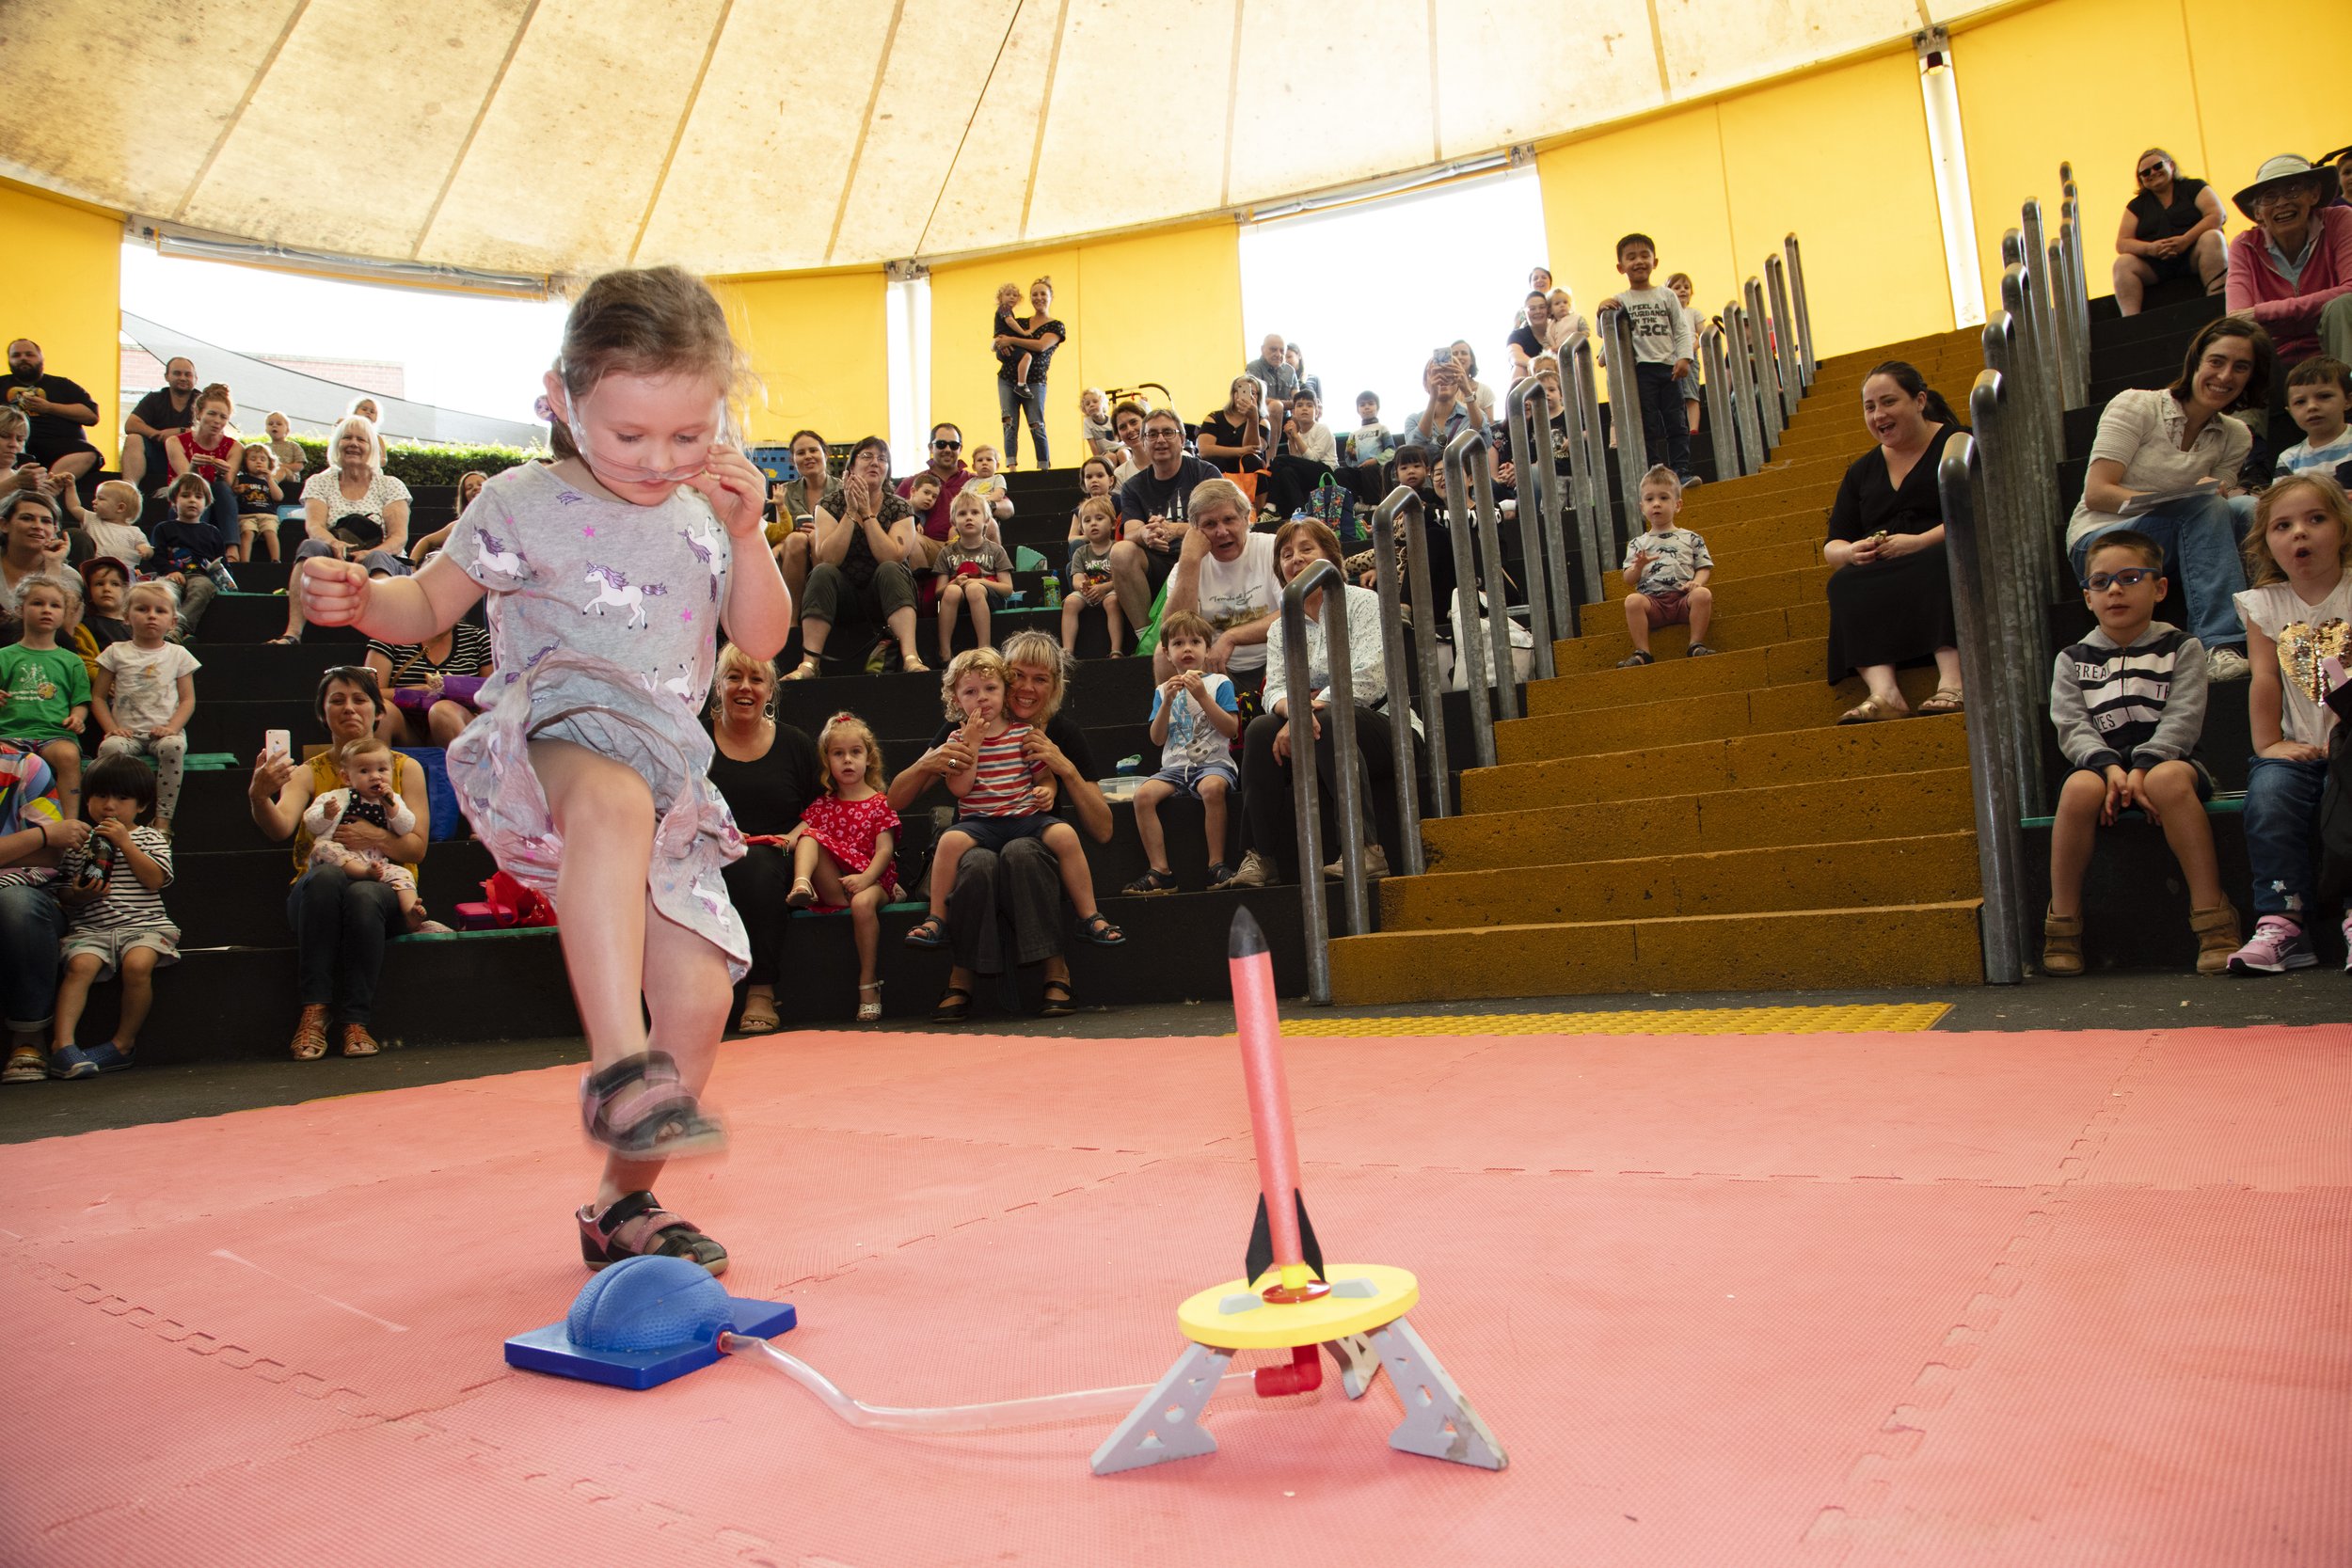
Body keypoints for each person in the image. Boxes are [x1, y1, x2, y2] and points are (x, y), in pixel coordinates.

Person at [298, 264, 791, 1278]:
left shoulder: (704, 513)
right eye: (629, 435)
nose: (659, 460)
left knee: (701, 1001)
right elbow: (424, 608)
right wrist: (358, 598)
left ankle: (623, 1201)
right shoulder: (523, 501)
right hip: (558, 729)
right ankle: (619, 1061)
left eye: (687, 436)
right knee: (607, 799)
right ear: (560, 402)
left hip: (673, 778)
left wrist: (749, 535)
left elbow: (761, 638)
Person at [886, 631, 1113, 1020]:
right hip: (977, 834)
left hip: (1030, 836)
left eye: (1040, 679)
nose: (1026, 688)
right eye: (1019, 676)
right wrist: (932, 760)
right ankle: (961, 975)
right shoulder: (966, 727)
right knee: (977, 863)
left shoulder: (1058, 732)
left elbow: (1104, 830)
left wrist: (1063, 768)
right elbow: (895, 801)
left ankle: (1056, 970)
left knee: (1021, 852)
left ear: (1055, 687)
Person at [2042, 530, 2234, 976]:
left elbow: (2183, 719)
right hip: (2101, 766)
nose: (2113, 590)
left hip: (2170, 761)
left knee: (2167, 779)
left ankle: (2213, 920)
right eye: (2100, 582)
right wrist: (2110, 768)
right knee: (2077, 789)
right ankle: (2063, 923)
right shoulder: (2072, 658)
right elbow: (2072, 727)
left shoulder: (2182, 647)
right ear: (2087, 598)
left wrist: (2145, 767)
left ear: (2160, 587)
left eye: (2130, 578)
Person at [2067, 316, 2269, 683]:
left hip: (2180, 542)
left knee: (2247, 509)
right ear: (2195, 361)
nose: (2225, 376)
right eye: (2216, 361)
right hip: (2101, 539)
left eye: (2241, 367)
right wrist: (2176, 499)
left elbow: (2220, 504)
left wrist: (2213, 491)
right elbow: (2098, 492)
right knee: (2205, 505)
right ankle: (2217, 645)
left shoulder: (2237, 435)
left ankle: (2272, 629)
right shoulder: (2136, 405)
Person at [248, 667, 431, 1058]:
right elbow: (279, 827)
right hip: (318, 896)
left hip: (382, 891)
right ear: (322, 713)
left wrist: (375, 836)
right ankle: (314, 1012)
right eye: (337, 700)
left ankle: (355, 1021)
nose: (349, 708)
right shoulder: (307, 773)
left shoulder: (403, 768)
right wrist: (259, 796)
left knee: (365, 894)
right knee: (328, 876)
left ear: (377, 711)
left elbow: (416, 849)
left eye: (359, 699)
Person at [1227, 518, 1402, 888]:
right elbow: (1274, 688)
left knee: (1334, 717)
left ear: (1331, 557)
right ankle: (1260, 856)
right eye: (1286, 555)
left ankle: (1367, 849)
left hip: (1381, 725)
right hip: (1313, 723)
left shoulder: (1364, 602)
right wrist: (1296, 712)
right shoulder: (1280, 627)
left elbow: (1370, 675)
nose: (1295, 559)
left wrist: (1310, 709)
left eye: (1307, 549)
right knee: (1259, 730)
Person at [2225, 474, 2352, 974]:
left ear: (2341, 529)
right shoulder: (2266, 606)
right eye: (2283, 525)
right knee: (2270, 794)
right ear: (2267, 542)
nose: (2299, 532)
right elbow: (2264, 679)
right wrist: (2268, 743)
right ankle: (2283, 922)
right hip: (2296, 745)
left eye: (2315, 519)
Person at [1823, 362, 1965, 723]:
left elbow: (1977, 512)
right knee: (1843, 581)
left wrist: (1918, 542)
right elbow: (1833, 544)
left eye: (1888, 402)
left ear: (1919, 400)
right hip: (1888, 565)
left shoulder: (1957, 443)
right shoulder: (1861, 471)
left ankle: (1954, 680)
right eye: (1870, 407)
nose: (1878, 415)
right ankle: (1885, 693)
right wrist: (1852, 552)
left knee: (1938, 559)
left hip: (1946, 549)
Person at [703, 642, 820, 1036]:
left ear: (771, 690)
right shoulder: (695, 742)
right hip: (704, 853)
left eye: (756, 679)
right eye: (734, 677)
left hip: (775, 857)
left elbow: (821, 811)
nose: (745, 687)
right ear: (718, 686)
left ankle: (761, 990)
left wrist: (790, 837)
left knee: (756, 869)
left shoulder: (796, 745)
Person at [41, 753, 176, 1078]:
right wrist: (79, 894)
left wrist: (125, 844)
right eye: (100, 796)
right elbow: (65, 893)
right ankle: (63, 1046)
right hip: (92, 927)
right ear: (87, 800)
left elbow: (155, 879)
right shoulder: (76, 843)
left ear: (141, 805)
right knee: (79, 966)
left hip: (143, 925)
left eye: (122, 798)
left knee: (138, 963)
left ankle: (122, 1044)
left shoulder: (149, 838)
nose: (110, 806)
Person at [787, 711, 901, 1023]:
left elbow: (886, 850)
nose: (847, 760)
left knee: (864, 903)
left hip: (873, 880)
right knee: (810, 836)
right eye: (838, 754)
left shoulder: (880, 802)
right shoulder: (824, 805)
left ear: (869, 758)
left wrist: (866, 879)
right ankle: (801, 884)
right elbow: (793, 836)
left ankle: (868, 984)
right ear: (827, 761)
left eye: (855, 752)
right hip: (837, 886)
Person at [788, 434, 928, 678]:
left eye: (882, 459)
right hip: (843, 596)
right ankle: (809, 664)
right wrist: (851, 511)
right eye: (867, 456)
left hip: (885, 594)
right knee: (822, 572)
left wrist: (867, 513)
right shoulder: (828, 504)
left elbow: (891, 556)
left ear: (887, 470)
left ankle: (911, 657)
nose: (875, 462)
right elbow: (828, 557)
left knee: (891, 569)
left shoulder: (900, 507)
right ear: (851, 467)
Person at [1123, 609, 1240, 895]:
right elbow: (1156, 738)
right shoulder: (1163, 690)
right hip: (1174, 768)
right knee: (1143, 796)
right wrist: (1165, 704)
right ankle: (1160, 871)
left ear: (1207, 648)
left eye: (1194, 642)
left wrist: (1201, 696)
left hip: (1214, 762)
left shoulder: (1218, 683)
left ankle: (1216, 864)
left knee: (1212, 789)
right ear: (1166, 652)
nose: (1186, 648)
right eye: (1177, 643)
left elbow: (1231, 729)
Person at [277, 416, 412, 643]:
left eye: (361, 439)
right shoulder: (319, 482)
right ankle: (292, 633)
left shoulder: (391, 484)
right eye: (346, 438)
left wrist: (368, 554)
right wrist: (335, 544)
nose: (353, 443)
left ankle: (383, 640)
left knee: (377, 557)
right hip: (336, 556)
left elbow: (399, 538)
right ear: (336, 445)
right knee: (310, 547)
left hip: (383, 557)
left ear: (372, 448)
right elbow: (315, 526)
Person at [301, 736, 447, 934]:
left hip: (375, 862)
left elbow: (406, 827)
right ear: (346, 777)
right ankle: (362, 874)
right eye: (364, 771)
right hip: (341, 858)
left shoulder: (393, 799)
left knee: (402, 874)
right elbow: (311, 822)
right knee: (323, 848)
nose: (375, 776)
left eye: (382, 770)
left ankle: (411, 914)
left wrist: (391, 807)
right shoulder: (335, 797)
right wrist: (325, 815)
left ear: (392, 773)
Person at [1, 739, 82, 1083]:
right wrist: (41, 837)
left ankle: (28, 1038)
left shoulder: (26, 766)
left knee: (15, 906)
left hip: (28, 896)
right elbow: (48, 838)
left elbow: (54, 852)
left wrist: (49, 838)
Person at [2223, 154, 2352, 367]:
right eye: (2269, 196)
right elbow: (2237, 318)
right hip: (2275, 362)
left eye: (2292, 190)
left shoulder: (2340, 220)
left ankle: (2347, 394)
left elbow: (2349, 291)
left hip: (2336, 352)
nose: (2282, 203)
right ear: (2258, 212)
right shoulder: (2244, 245)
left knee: (2343, 306)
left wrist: (2264, 312)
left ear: (2314, 194)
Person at [1158, 475, 1282, 691]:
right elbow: (1174, 631)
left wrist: (1232, 637)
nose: (1221, 531)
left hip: (1276, 661)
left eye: (1229, 519)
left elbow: (1294, 612)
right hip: (1217, 668)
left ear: (1246, 518)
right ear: (1195, 530)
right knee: (1163, 653)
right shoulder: (1186, 567)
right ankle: (1182, 722)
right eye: (1209, 524)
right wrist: (1189, 560)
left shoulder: (1272, 549)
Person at [92, 580, 199, 831]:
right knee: (109, 748)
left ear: (172, 621)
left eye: (160, 611)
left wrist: (172, 728)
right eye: (142, 609)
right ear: (126, 616)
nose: (151, 616)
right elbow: (97, 697)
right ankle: (114, 818)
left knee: (173, 747)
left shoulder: (178, 655)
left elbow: (188, 700)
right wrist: (111, 728)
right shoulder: (115, 652)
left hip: (163, 734)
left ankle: (163, 821)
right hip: (127, 734)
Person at [1593, 233, 1697, 486]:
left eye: (1644, 256)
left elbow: (1681, 329)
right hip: (1640, 371)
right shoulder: (1622, 300)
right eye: (1631, 258)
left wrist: (1684, 357)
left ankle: (1681, 470)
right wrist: (1601, 311)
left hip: (1669, 367)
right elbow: (1602, 332)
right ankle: (1655, 471)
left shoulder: (1667, 295)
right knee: (1648, 424)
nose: (1638, 261)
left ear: (1655, 261)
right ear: (1621, 267)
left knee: (1676, 421)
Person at [1107, 408, 1221, 621]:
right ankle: (1144, 637)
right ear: (1144, 441)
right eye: (1152, 434)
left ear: (1182, 438)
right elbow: (1130, 532)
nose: (1160, 440)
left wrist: (1175, 529)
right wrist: (1145, 534)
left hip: (1206, 558)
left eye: (1168, 432)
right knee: (1121, 551)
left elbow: (1223, 526)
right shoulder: (1132, 486)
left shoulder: (1206, 473)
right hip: (1159, 561)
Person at [1, 572, 88, 813]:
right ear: (20, 609)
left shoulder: (71, 661)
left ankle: (70, 824)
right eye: (37, 603)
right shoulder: (4, 656)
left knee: (69, 757)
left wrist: (77, 717)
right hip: (10, 734)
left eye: (55, 605)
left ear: (64, 614)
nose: (46, 610)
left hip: (55, 735)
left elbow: (81, 701)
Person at [1615, 467, 1716, 666]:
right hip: (1653, 604)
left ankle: (1695, 644)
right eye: (1650, 499)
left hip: (1682, 599)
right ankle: (1643, 652)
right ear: (1642, 507)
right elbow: (1628, 579)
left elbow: (1704, 567)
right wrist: (1638, 567)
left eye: (1664, 498)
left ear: (1678, 505)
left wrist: (1696, 583)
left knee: (1703, 595)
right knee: (1632, 601)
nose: (1656, 504)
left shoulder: (1691, 537)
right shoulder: (1637, 544)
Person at [2115, 149, 2229, 315]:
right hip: (2156, 264)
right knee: (2122, 263)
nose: (2153, 173)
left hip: (2194, 255)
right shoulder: (2136, 206)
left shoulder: (2194, 187)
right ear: (2141, 180)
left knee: (2213, 237)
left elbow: (2217, 215)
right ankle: (2131, 322)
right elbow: (2122, 242)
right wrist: (2150, 249)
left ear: (2172, 165)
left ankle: (2217, 306)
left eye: (2157, 166)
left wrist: (2185, 240)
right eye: (2145, 173)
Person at [363, 615, 495, 748]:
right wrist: (419, 692)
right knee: (381, 709)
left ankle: (466, 764)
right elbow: (368, 694)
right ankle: (376, 764)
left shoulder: (478, 639)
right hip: (406, 726)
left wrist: (455, 690)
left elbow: (491, 698)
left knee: (443, 711)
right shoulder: (390, 635)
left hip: (455, 720)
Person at [1, 340, 102, 500]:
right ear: (9, 360)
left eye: (29, 354)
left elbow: (91, 416)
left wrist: (49, 407)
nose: (23, 358)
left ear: (41, 358)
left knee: (88, 453)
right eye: (16, 355)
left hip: (60, 446)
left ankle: (44, 491)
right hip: (12, 444)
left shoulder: (63, 385)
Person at [934, 485, 1014, 661]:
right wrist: (953, 583)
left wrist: (981, 582)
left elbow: (1008, 589)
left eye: (975, 513)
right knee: (952, 591)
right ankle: (945, 651)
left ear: (986, 520)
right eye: (962, 514)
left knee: (974, 590)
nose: (968, 517)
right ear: (954, 522)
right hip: (959, 600)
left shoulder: (995, 550)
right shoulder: (947, 552)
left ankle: (984, 649)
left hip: (989, 598)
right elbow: (939, 592)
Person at [161, 383, 243, 547]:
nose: (217, 421)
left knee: (221, 487)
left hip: (220, 505)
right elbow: (185, 481)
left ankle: (231, 547)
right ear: (198, 414)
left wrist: (222, 472)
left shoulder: (234, 447)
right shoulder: (175, 442)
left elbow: (227, 484)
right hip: (185, 502)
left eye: (223, 417)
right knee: (196, 491)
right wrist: (194, 467)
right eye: (212, 414)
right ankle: (194, 546)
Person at [993, 277, 1064, 467]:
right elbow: (1001, 345)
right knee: (1009, 422)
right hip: (1008, 377)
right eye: (1035, 294)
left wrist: (1013, 340)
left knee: (1036, 423)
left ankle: (1043, 466)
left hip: (1035, 381)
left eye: (1043, 294)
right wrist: (1003, 346)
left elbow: (1041, 346)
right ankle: (1012, 466)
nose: (1039, 298)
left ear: (1050, 297)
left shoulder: (1056, 326)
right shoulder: (1020, 322)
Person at [151, 474, 232, 638]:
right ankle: (161, 629)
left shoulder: (213, 532)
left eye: (198, 497)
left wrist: (227, 578)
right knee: (161, 590)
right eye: (185, 495)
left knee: (204, 587)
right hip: (171, 575)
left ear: (206, 503)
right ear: (174, 501)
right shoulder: (164, 528)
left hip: (200, 577)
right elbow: (157, 556)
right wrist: (170, 571)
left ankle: (178, 629)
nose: (192, 500)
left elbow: (221, 560)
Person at [896, 421, 974, 564]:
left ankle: (995, 579)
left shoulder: (975, 481)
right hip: (928, 547)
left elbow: (1008, 508)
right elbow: (890, 510)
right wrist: (913, 520)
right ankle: (920, 585)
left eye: (954, 445)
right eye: (941, 444)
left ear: (960, 448)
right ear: (931, 447)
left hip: (969, 546)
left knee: (991, 523)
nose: (948, 449)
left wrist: (991, 505)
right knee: (911, 536)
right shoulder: (912, 482)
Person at [769, 427, 830, 608]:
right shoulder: (784, 492)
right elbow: (781, 532)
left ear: (825, 454)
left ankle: (822, 612)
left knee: (815, 537)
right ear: (793, 460)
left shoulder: (843, 490)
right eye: (801, 453)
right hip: (795, 553)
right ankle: (791, 618)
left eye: (813, 450)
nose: (808, 456)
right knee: (795, 539)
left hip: (833, 552)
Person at [1, 490, 71, 642]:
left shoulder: (70, 577)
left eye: (46, 521)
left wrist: (53, 566)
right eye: (27, 518)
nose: (38, 526)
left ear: (55, 530)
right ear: (4, 525)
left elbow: (61, 634)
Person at [2271, 357, 2352, 488]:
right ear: (2290, 412)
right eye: (2300, 402)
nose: (2312, 407)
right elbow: (2283, 504)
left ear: (2348, 400)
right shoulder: (2289, 459)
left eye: (2324, 396)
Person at [121, 356, 198, 492]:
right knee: (133, 438)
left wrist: (179, 431)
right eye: (177, 373)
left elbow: (213, 433)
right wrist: (156, 434)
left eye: (188, 374)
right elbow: (131, 425)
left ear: (195, 379)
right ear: (166, 377)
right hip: (156, 458)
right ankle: (129, 491)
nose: (183, 378)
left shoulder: (202, 402)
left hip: (189, 463)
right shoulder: (154, 399)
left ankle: (185, 488)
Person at [1265, 386, 1340, 517]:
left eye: (1309, 405)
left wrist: (1296, 437)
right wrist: (1292, 441)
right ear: (1293, 412)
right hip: (1308, 473)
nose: (1304, 408)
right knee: (1286, 471)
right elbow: (1295, 462)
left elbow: (1313, 458)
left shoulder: (1322, 429)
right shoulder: (1295, 435)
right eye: (1300, 405)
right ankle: (1300, 511)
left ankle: (1271, 504)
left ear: (1316, 412)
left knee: (1278, 460)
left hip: (1326, 473)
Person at [1062, 496, 1123, 655]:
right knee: (1070, 602)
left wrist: (1104, 588)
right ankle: (1067, 651)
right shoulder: (1080, 552)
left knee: (1112, 602)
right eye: (1087, 521)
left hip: (1111, 590)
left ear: (1113, 524)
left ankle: (1115, 649)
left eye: (1099, 518)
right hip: (1088, 592)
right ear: (1081, 529)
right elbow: (1076, 579)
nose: (1093, 523)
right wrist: (1083, 586)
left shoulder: (1117, 549)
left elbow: (1122, 579)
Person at [1197, 375, 1270, 475]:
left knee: (1250, 460)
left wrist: (1252, 419)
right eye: (1241, 391)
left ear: (1258, 397)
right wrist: (1240, 451)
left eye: (1252, 393)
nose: (1246, 396)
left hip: (1247, 472)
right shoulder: (1214, 418)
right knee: (1214, 461)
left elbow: (1252, 450)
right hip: (1219, 469)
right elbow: (1204, 450)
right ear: (1233, 394)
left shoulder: (1262, 422)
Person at [1666, 273, 1707, 437]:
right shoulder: (1667, 314)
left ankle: (1693, 428)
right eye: (1677, 288)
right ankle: (1679, 429)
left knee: (1691, 393)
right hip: (1671, 357)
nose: (1683, 290)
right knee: (1674, 395)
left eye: (1686, 287)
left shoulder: (1694, 313)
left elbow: (1703, 334)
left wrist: (1691, 349)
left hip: (1690, 356)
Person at [78, 482, 151, 569]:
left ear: (120, 508)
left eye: (101, 499)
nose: (94, 501)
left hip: (121, 571)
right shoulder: (93, 519)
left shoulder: (134, 531)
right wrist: (71, 487)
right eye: (95, 498)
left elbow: (145, 546)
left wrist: (145, 550)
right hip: (96, 569)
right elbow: (74, 507)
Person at [231, 443, 283, 562]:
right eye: (253, 459)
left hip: (268, 515)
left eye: (263, 459)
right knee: (247, 533)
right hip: (246, 515)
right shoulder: (241, 479)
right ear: (245, 463)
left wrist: (270, 479)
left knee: (270, 532)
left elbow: (279, 497)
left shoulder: (269, 481)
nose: (258, 462)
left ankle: (276, 560)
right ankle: (244, 562)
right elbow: (233, 493)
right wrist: (237, 491)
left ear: (269, 463)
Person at [992, 281, 1033, 391]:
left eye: (1015, 296)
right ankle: (1021, 385)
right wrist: (1023, 333)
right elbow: (1010, 322)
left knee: (1020, 359)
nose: (1011, 297)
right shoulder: (1004, 308)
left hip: (1004, 345)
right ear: (1000, 297)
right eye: (1008, 294)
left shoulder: (1005, 310)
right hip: (1005, 345)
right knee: (1027, 357)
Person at [1506, 292, 1551, 382]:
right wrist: (1538, 366)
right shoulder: (1518, 335)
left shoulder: (1557, 330)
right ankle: (1519, 396)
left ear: (1548, 310)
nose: (1538, 311)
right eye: (1532, 309)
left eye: (1542, 307)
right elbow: (1514, 356)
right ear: (1524, 312)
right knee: (1519, 368)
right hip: (1531, 378)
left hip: (1557, 375)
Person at [1079, 387, 1118, 461]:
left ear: (1103, 403)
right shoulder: (1087, 423)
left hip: (1120, 447)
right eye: (1087, 404)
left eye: (1095, 401)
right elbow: (1093, 446)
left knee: (1123, 453)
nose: (1091, 405)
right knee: (1110, 457)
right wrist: (1099, 461)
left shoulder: (1112, 420)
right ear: (1084, 409)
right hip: (1106, 453)